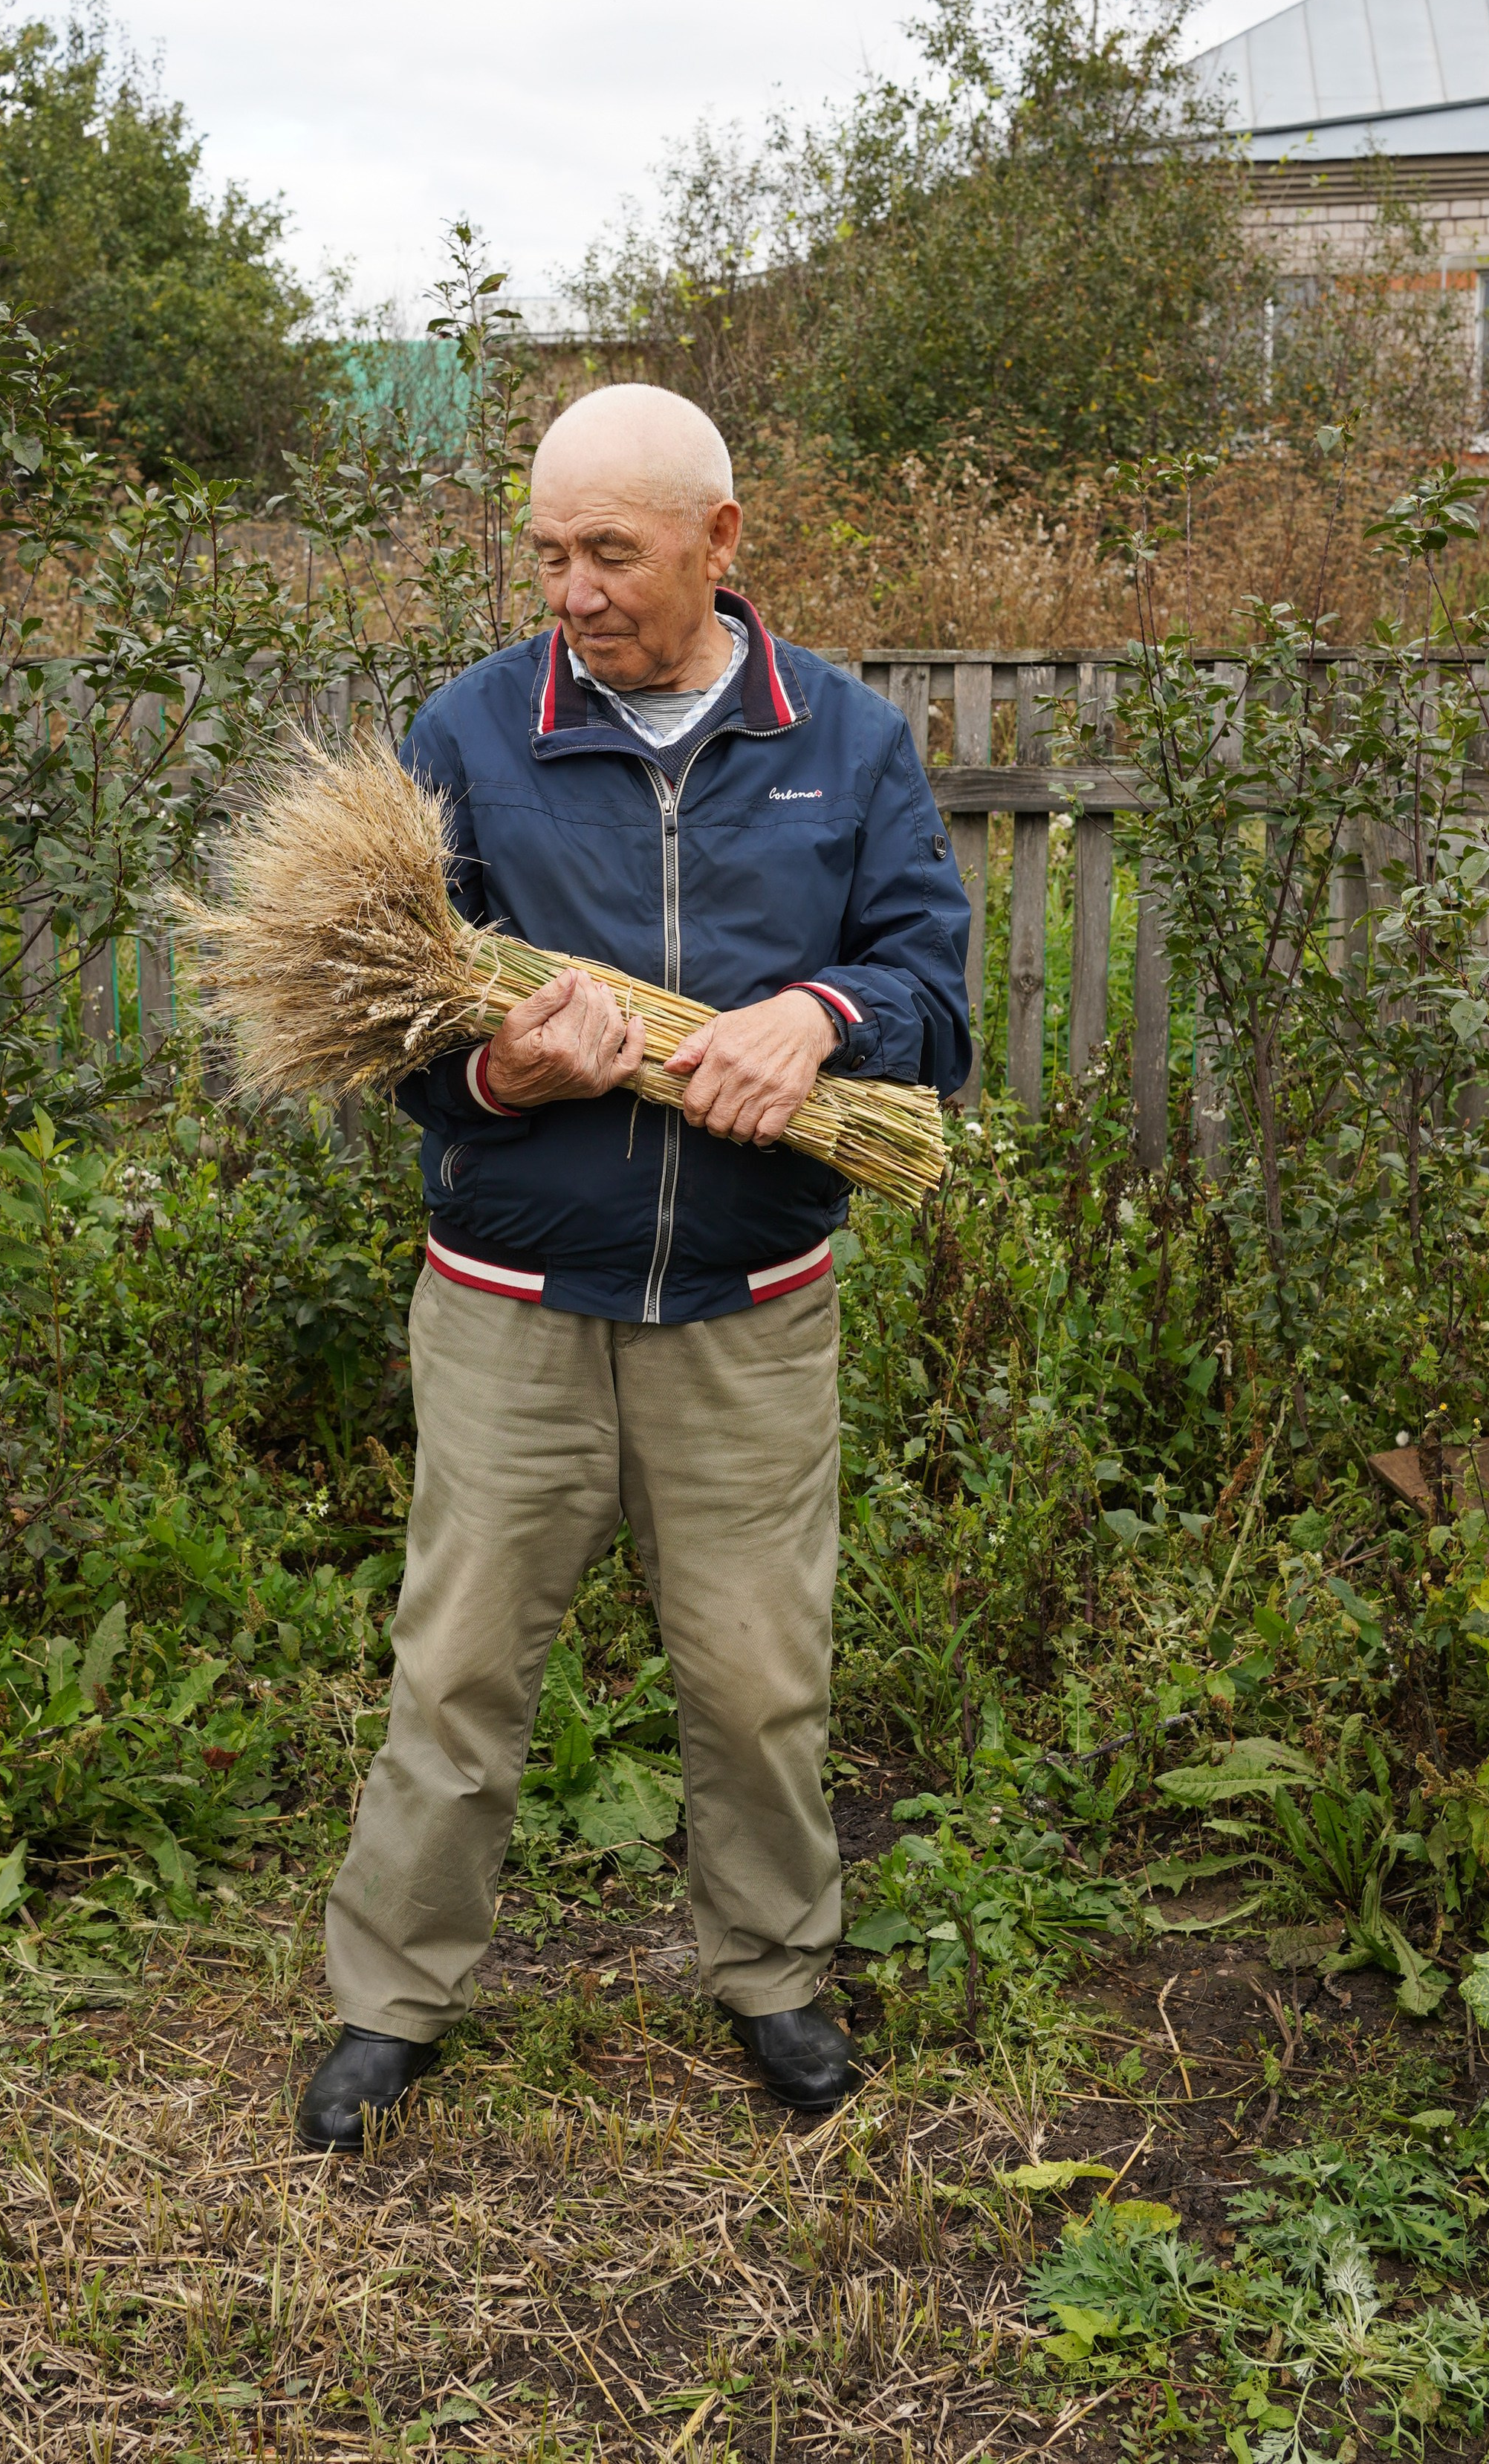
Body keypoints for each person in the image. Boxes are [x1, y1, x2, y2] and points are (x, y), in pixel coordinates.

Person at [297, 384, 972, 2148]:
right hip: (510, 1310)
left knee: (758, 1675)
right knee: (455, 1667)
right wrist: (501, 1070)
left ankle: (771, 1969)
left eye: (610, 548)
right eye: (547, 551)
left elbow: (934, 989)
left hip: (746, 1319)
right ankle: (390, 1995)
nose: (573, 588)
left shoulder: (842, 736)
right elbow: (386, 1042)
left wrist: (821, 1022)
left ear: (718, 541)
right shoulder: (464, 733)